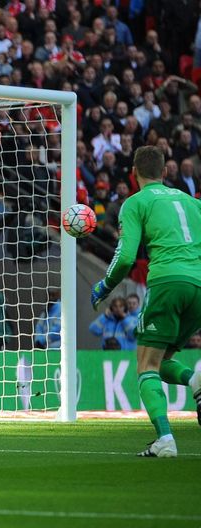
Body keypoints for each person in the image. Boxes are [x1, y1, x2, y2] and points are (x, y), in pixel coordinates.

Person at [91, 146, 201, 457]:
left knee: (145, 365)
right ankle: (195, 378)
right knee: (161, 360)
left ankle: (165, 440)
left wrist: (105, 285)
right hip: (198, 285)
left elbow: (126, 257)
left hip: (167, 282)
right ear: (165, 172)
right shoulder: (193, 202)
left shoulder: (136, 202)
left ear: (134, 173)